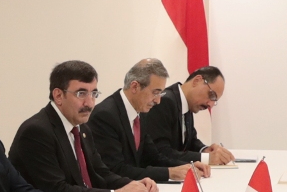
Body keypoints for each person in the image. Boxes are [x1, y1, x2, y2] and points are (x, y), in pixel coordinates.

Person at [8, 60, 155, 192]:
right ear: (58, 95)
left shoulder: (82, 127)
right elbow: (56, 189)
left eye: (94, 93)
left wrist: (132, 184)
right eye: (81, 93)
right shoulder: (37, 132)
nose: (89, 103)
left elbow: (100, 172)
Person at [83, 58, 211, 185]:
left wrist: (186, 166)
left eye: (160, 94)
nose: (158, 101)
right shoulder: (105, 116)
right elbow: (116, 169)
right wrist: (169, 173)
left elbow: (152, 157)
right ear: (135, 87)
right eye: (155, 93)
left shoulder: (141, 112)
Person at [140, 65, 234, 166]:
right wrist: (206, 158)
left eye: (214, 101)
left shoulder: (187, 104)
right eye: (211, 95)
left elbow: (190, 142)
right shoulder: (164, 102)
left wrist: (205, 150)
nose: (210, 104)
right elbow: (162, 152)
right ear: (197, 81)